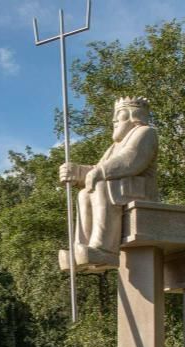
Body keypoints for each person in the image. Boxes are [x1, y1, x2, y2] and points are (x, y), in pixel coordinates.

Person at [59, 96, 158, 271]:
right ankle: (81, 248)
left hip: (141, 189)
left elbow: (132, 160)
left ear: (133, 116)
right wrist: (77, 172)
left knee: (100, 186)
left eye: (118, 116)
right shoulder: (115, 146)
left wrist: (99, 172)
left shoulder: (145, 132)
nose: (114, 121)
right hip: (124, 189)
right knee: (84, 193)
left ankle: (104, 249)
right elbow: (98, 167)